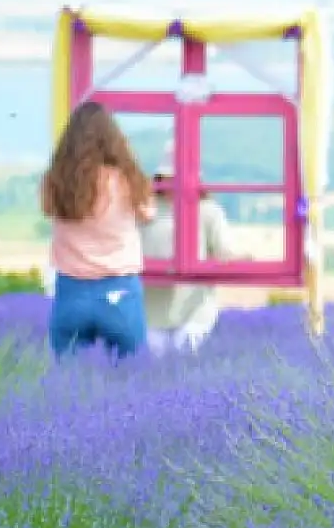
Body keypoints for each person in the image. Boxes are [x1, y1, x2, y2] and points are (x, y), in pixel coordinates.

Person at [39, 100, 157, 360]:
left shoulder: (57, 180)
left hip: (71, 291)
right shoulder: (126, 180)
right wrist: (128, 158)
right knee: (133, 379)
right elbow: (149, 213)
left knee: (69, 383)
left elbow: (47, 210)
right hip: (120, 289)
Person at [139, 143, 247, 355]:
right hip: (150, 314)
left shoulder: (209, 212)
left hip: (194, 313)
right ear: (159, 178)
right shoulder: (144, 211)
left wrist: (240, 260)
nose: (174, 183)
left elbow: (224, 251)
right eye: (169, 177)